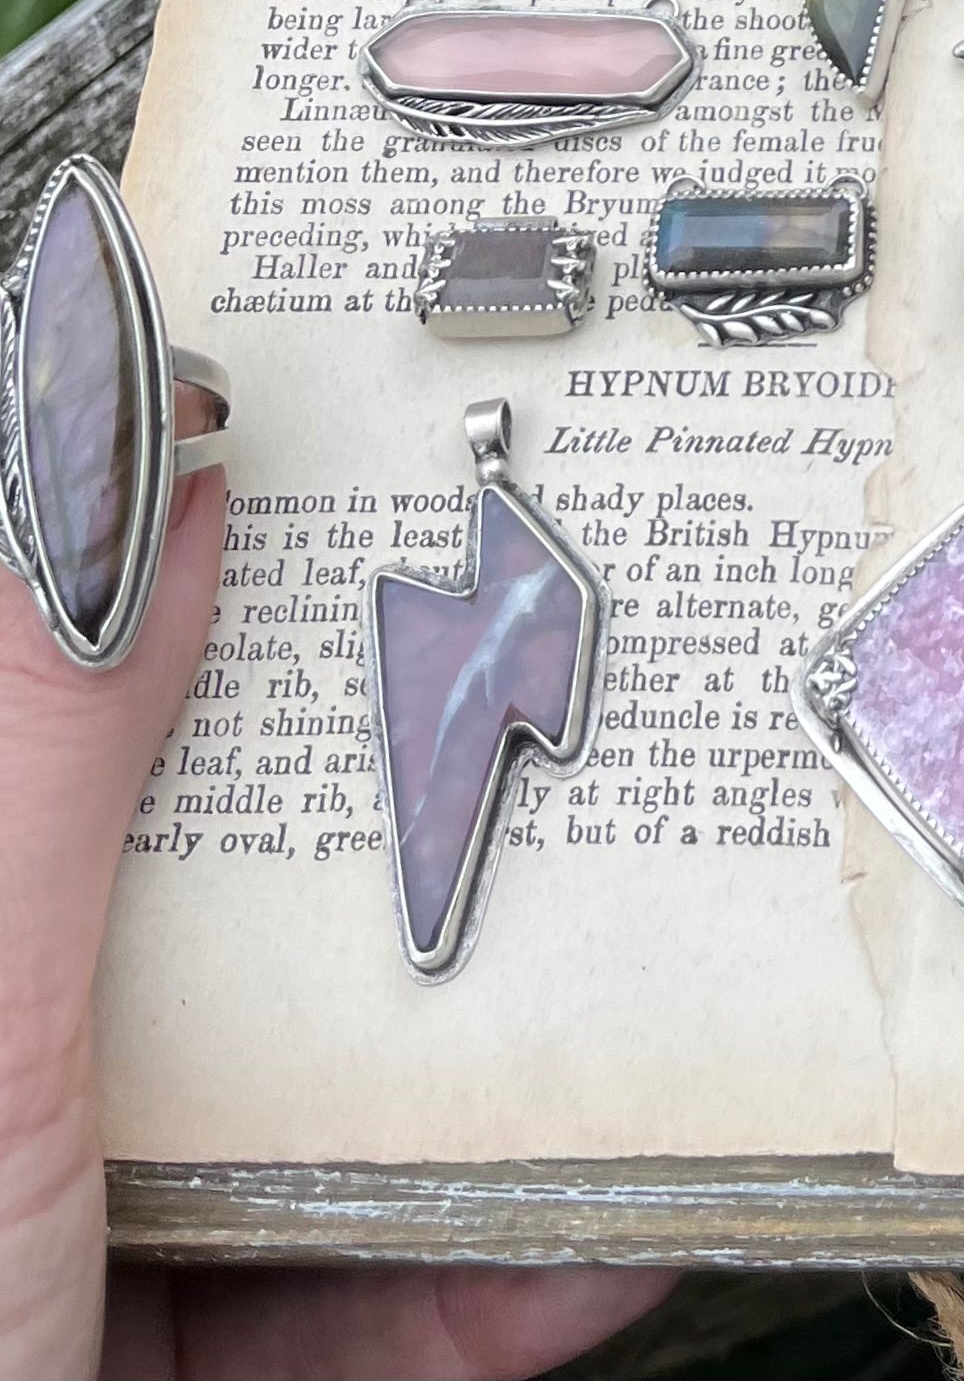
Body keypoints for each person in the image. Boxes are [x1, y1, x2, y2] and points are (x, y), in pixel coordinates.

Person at [0, 454, 676, 1381]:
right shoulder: (456, 611)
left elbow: (552, 727)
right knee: (433, 900)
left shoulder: (486, 606)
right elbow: (553, 729)